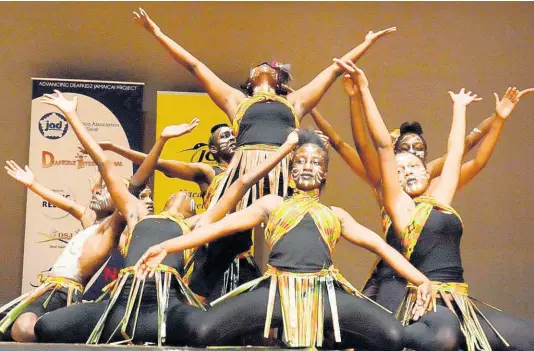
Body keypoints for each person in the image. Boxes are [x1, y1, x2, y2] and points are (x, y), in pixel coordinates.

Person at [132, 7, 397, 300]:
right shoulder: (236, 101)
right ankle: (194, 297)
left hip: (284, 170)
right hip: (245, 172)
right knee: (222, 236)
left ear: (280, 80)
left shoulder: (294, 102)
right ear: (250, 79)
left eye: (271, 67)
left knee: (294, 230)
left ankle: (298, 289)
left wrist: (366, 43)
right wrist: (157, 34)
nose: (265, 68)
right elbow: (195, 66)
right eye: (258, 67)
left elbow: (333, 70)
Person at [34, 90, 301, 345]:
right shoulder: (136, 214)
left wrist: (285, 149)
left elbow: (242, 182)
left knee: (211, 329)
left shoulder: (197, 225)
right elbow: (104, 164)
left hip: (166, 312)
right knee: (45, 327)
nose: (183, 194)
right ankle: (127, 332)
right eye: (178, 193)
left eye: (189, 196)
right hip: (122, 307)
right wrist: (71, 115)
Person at [134, 129, 433, 349]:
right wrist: (165, 245)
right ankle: (153, 321)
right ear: (290, 175)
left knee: (392, 336)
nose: (307, 166)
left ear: (324, 175)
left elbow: (379, 246)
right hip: (275, 292)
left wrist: (421, 280)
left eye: (316, 163)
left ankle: (332, 342)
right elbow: (218, 228)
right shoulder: (272, 205)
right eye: (301, 161)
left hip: (324, 292)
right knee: (202, 331)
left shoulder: (336, 215)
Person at [352, 65, 534, 351]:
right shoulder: (400, 209)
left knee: (527, 338)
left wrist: (484, 116)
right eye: (400, 171)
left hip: (459, 300)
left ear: (427, 173)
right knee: (444, 339)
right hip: (425, 300)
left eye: (414, 166)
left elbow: (457, 152)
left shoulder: (441, 201)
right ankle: (382, 337)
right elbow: (383, 146)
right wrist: (363, 91)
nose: (408, 172)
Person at [0, 156, 153, 343]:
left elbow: (133, 187)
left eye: (107, 191)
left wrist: (161, 142)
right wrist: (33, 184)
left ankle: (61, 334)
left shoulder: (109, 231)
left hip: (63, 293)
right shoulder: (90, 222)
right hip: (46, 289)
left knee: (24, 329)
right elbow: (69, 204)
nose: (98, 193)